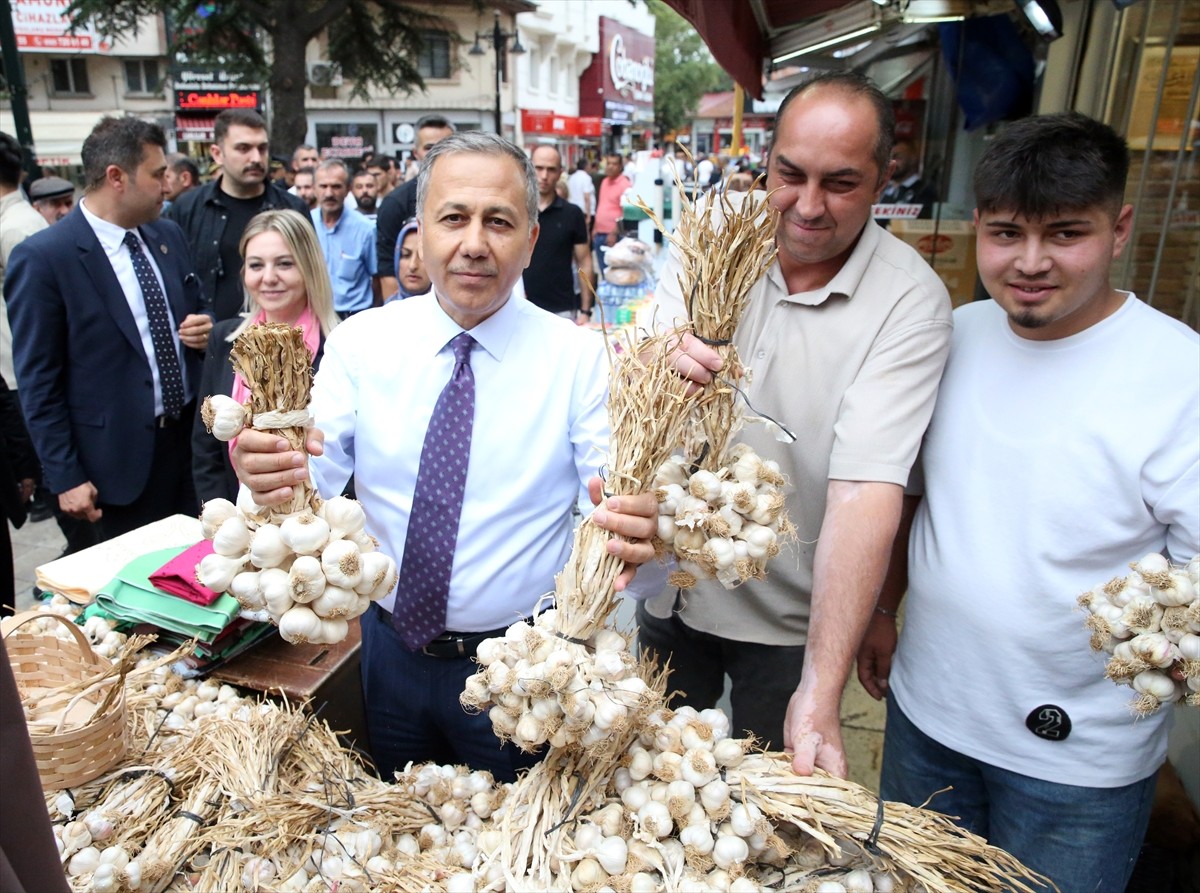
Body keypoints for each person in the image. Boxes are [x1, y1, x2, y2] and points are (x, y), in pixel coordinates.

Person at [232, 131, 659, 781]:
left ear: (532, 240)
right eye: (453, 218)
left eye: (499, 221)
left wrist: (641, 525)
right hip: (387, 653)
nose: (474, 243)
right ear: (421, 229)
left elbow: (614, 507)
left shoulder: (579, 360)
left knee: (515, 845)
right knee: (408, 835)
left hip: (520, 671)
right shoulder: (363, 345)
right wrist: (264, 475)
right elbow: (307, 475)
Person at [856, 113, 1199, 893]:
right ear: (979, 226)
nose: (1031, 263)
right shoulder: (953, 336)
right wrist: (881, 607)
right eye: (1007, 234)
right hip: (927, 718)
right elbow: (910, 490)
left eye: (1066, 234)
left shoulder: (1178, 374)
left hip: (1080, 762)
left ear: (1119, 229)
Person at [639, 71, 953, 773]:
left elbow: (866, 489)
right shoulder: (714, 232)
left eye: (840, 183)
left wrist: (822, 682)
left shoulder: (910, 302)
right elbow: (650, 352)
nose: (808, 206)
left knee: (761, 823)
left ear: (883, 178)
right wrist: (660, 354)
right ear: (767, 157)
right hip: (670, 596)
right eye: (791, 175)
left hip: (786, 627)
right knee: (648, 793)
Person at [6, 116, 212, 541]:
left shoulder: (167, 234)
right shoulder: (46, 258)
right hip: (114, 472)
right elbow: (38, 381)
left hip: (188, 450)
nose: (167, 186)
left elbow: (196, 309)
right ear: (116, 177)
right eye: (157, 174)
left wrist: (204, 328)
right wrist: (64, 475)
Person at [193, 210, 340, 503]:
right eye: (256, 265)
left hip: (314, 522)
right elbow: (206, 448)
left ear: (309, 267)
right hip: (238, 525)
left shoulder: (341, 346)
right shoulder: (224, 340)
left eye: (285, 264)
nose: (269, 278)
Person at [166, 109, 310, 322]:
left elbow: (311, 278)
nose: (256, 158)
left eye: (262, 148)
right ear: (217, 154)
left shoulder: (292, 208)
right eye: (243, 148)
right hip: (208, 347)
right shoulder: (187, 209)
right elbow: (173, 278)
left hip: (278, 343)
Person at [375, 115, 456, 299]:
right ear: (415, 152)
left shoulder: (472, 197)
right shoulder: (395, 204)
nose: (437, 153)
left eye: (445, 147)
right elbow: (388, 275)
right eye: (429, 148)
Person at [523, 145, 593, 323]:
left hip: (561, 310)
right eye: (539, 168)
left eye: (551, 169)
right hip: (519, 307)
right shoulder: (516, 210)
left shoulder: (572, 213)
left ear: (560, 172)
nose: (544, 176)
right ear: (529, 168)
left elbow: (584, 261)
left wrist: (586, 310)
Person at [312, 160, 377, 318]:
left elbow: (376, 278)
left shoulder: (365, 229)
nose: (329, 194)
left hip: (354, 315)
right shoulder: (306, 223)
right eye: (323, 186)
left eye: (336, 186)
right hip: (315, 314)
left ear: (348, 190)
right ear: (314, 188)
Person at [878, 139, 938, 219]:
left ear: (913, 159)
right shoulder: (882, 189)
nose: (892, 163)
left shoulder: (924, 191)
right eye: (889, 158)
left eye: (898, 157)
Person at [592, 154, 631, 278]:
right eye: (608, 163)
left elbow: (625, 211)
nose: (610, 167)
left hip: (614, 235)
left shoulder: (625, 184)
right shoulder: (604, 182)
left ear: (620, 167)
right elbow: (601, 205)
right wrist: (594, 228)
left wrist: (614, 232)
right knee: (603, 272)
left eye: (614, 164)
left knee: (614, 273)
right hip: (600, 233)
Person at [386, 218, 430, 301]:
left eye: (422, 256)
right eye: (405, 255)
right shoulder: (387, 309)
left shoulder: (450, 311)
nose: (412, 265)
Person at [567, 157, 595, 229]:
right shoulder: (586, 177)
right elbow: (587, 197)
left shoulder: (571, 177)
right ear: (586, 166)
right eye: (589, 165)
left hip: (572, 210)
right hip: (584, 211)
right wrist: (588, 216)